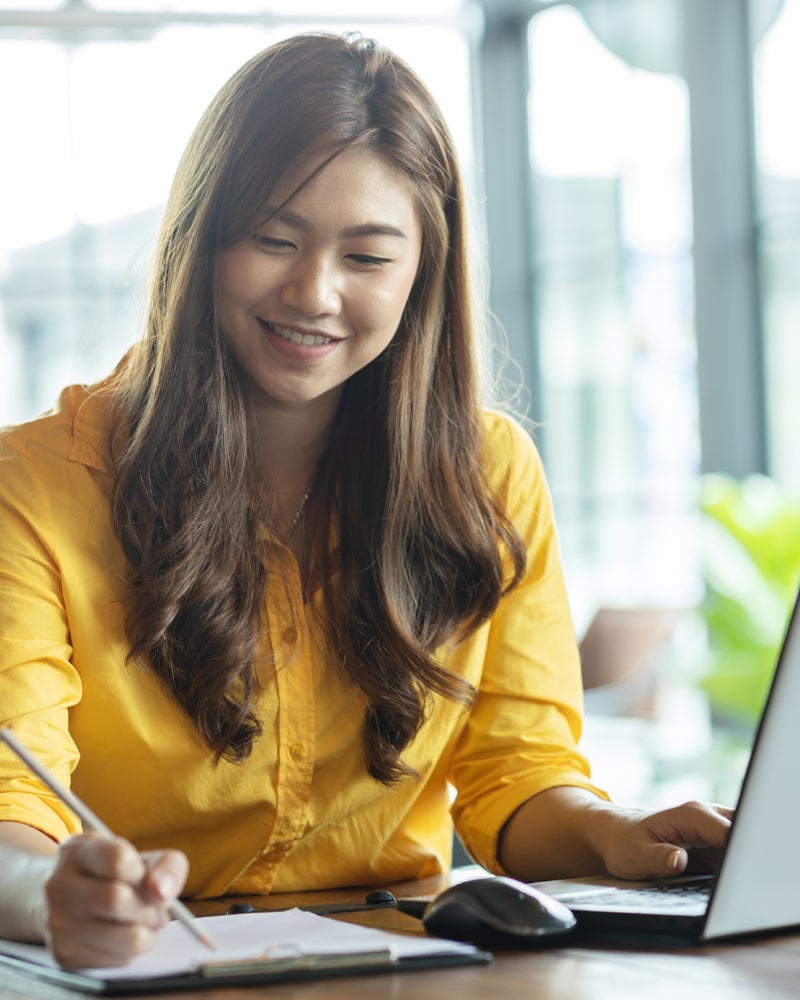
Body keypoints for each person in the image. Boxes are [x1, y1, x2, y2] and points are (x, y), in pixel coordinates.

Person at [0, 31, 730, 970]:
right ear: (202, 239)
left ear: (423, 272)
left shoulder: (489, 473)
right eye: (273, 238)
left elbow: (520, 777)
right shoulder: (33, 485)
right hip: (143, 971)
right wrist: (53, 892)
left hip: (406, 967)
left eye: (368, 256)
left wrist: (613, 832)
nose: (313, 293)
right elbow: (12, 812)